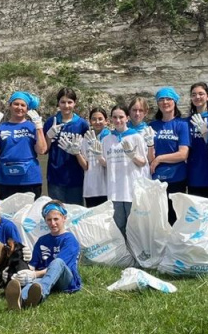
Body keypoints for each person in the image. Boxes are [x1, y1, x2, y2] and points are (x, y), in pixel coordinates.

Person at [5, 201, 82, 310]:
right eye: (49, 220)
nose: (53, 223)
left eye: (56, 219)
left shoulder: (70, 240)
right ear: (45, 220)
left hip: (65, 281)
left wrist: (34, 274)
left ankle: (42, 293)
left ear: (64, 218)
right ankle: (21, 301)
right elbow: (33, 265)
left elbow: (60, 267)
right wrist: (18, 272)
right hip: (44, 278)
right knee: (32, 284)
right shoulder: (42, 240)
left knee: (57, 262)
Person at [100, 104, 149, 237]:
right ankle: (122, 250)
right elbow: (106, 164)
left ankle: (135, 249)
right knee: (118, 227)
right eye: (115, 117)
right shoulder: (107, 140)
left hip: (131, 190)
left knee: (134, 228)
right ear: (111, 119)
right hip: (114, 191)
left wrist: (133, 156)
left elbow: (143, 162)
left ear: (127, 118)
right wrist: (98, 157)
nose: (118, 120)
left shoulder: (136, 137)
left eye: (121, 117)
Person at [0, 91, 48, 199]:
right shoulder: (1, 127)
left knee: (30, 208)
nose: (19, 107)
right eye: (16, 104)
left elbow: (42, 150)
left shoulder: (33, 126)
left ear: (27, 108)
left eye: (23, 105)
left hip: (30, 178)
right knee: (7, 209)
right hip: (5, 179)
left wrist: (39, 127)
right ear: (10, 106)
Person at [148, 87, 190, 224]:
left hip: (177, 178)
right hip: (156, 179)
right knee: (159, 219)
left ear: (175, 101)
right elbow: (149, 155)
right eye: (161, 99)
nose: (165, 102)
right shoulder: (152, 126)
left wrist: (160, 159)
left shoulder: (182, 124)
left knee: (175, 218)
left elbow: (183, 154)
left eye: (168, 99)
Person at [43, 87, 90, 205]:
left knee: (76, 211)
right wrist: (48, 136)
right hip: (55, 176)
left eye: (70, 102)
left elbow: (87, 153)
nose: (66, 106)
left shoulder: (82, 124)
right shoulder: (50, 122)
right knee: (56, 210)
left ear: (75, 103)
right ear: (58, 103)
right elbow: (44, 150)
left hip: (76, 177)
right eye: (63, 102)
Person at [186, 82, 208, 197]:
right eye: (194, 94)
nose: (197, 97)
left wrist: (206, 133)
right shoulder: (187, 121)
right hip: (194, 174)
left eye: (201, 94)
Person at [76, 107, 110, 207]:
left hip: (107, 188)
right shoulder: (85, 140)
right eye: (94, 119)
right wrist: (77, 153)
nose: (97, 122)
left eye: (100, 119)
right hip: (90, 189)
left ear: (106, 121)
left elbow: (112, 164)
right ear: (90, 121)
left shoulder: (111, 138)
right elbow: (86, 166)